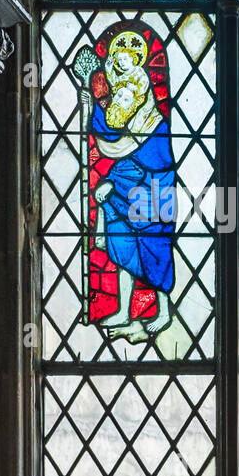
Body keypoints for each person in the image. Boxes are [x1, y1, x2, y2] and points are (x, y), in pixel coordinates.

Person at [79, 24, 175, 342]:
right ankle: (124, 310)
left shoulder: (153, 124)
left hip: (154, 192)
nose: (117, 99)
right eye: (117, 94)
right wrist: (88, 95)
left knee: (155, 249)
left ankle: (163, 312)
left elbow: (141, 161)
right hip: (128, 185)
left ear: (138, 97)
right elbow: (107, 132)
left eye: (123, 96)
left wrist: (113, 184)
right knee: (122, 245)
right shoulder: (124, 114)